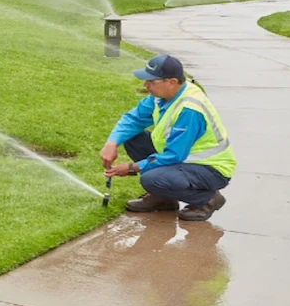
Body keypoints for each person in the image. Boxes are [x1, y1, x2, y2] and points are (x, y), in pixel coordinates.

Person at [100, 54, 236, 222]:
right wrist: (112, 143)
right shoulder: (161, 96)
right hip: (183, 158)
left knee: (151, 179)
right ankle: (164, 198)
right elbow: (134, 118)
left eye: (152, 81)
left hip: (210, 169)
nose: (145, 85)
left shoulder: (189, 109)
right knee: (133, 137)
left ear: (171, 82)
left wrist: (131, 168)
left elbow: (174, 155)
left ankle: (208, 199)